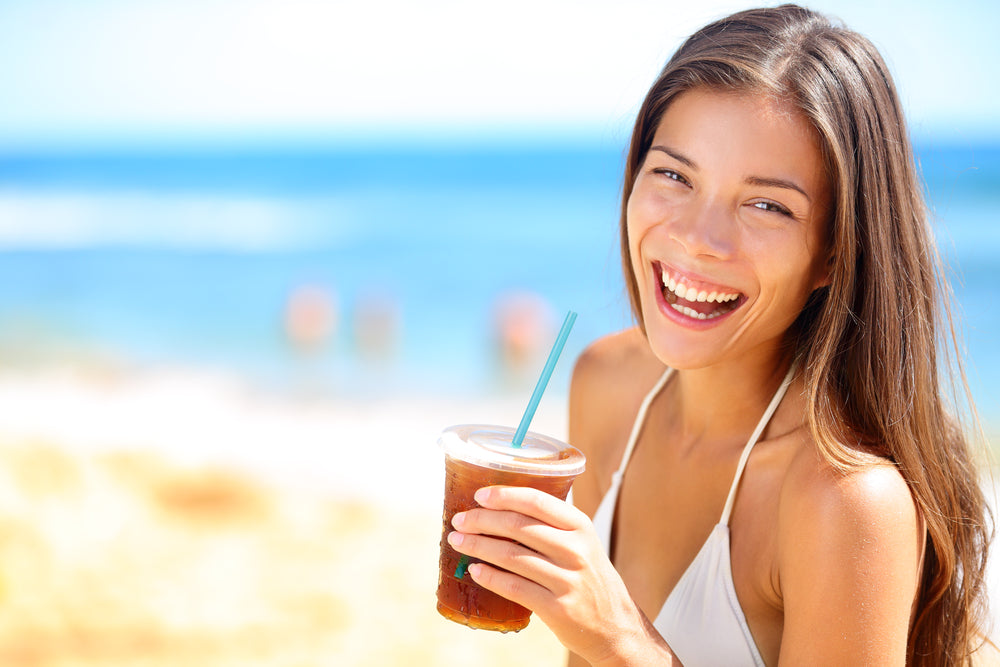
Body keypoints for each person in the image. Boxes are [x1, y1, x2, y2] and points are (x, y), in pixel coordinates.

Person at [444, 5, 993, 666]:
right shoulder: (606, 384)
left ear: (833, 253)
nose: (697, 239)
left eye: (767, 205)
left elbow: (606, 647)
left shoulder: (844, 500)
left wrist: (620, 638)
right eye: (674, 175)